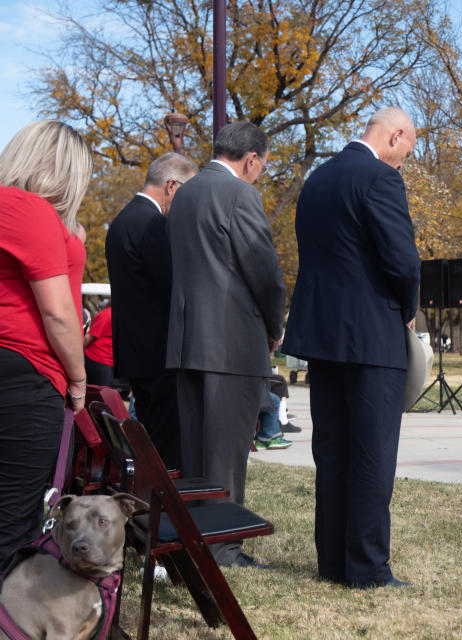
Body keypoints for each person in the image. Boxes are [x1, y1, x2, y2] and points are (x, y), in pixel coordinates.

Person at [282, 107, 421, 588]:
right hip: (371, 334)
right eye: (408, 150)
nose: (405, 160)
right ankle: (366, 568)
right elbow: (402, 260)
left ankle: (333, 563)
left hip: (323, 336)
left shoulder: (317, 179)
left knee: (334, 451)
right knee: (371, 454)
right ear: (395, 135)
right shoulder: (380, 178)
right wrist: (408, 308)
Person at [166, 122, 285, 568]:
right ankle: (221, 548)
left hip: (186, 342)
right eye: (262, 167)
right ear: (251, 159)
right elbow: (264, 272)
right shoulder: (240, 195)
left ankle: (196, 540)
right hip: (230, 344)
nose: (259, 175)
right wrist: (275, 326)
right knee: (225, 455)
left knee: (195, 452)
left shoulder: (185, 194)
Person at [0, 120, 92, 560]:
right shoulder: (28, 209)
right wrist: (78, 378)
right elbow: (57, 311)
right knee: (13, 521)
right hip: (27, 372)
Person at [105, 152, 198, 470]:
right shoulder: (152, 223)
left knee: (152, 439)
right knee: (167, 450)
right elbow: (175, 283)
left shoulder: (123, 220)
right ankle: (164, 514)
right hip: (160, 354)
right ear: (172, 185)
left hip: (136, 352)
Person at [83, 302, 114, 386]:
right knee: (99, 394)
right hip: (98, 360)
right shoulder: (106, 314)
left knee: (102, 393)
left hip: (106, 361)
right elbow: (89, 337)